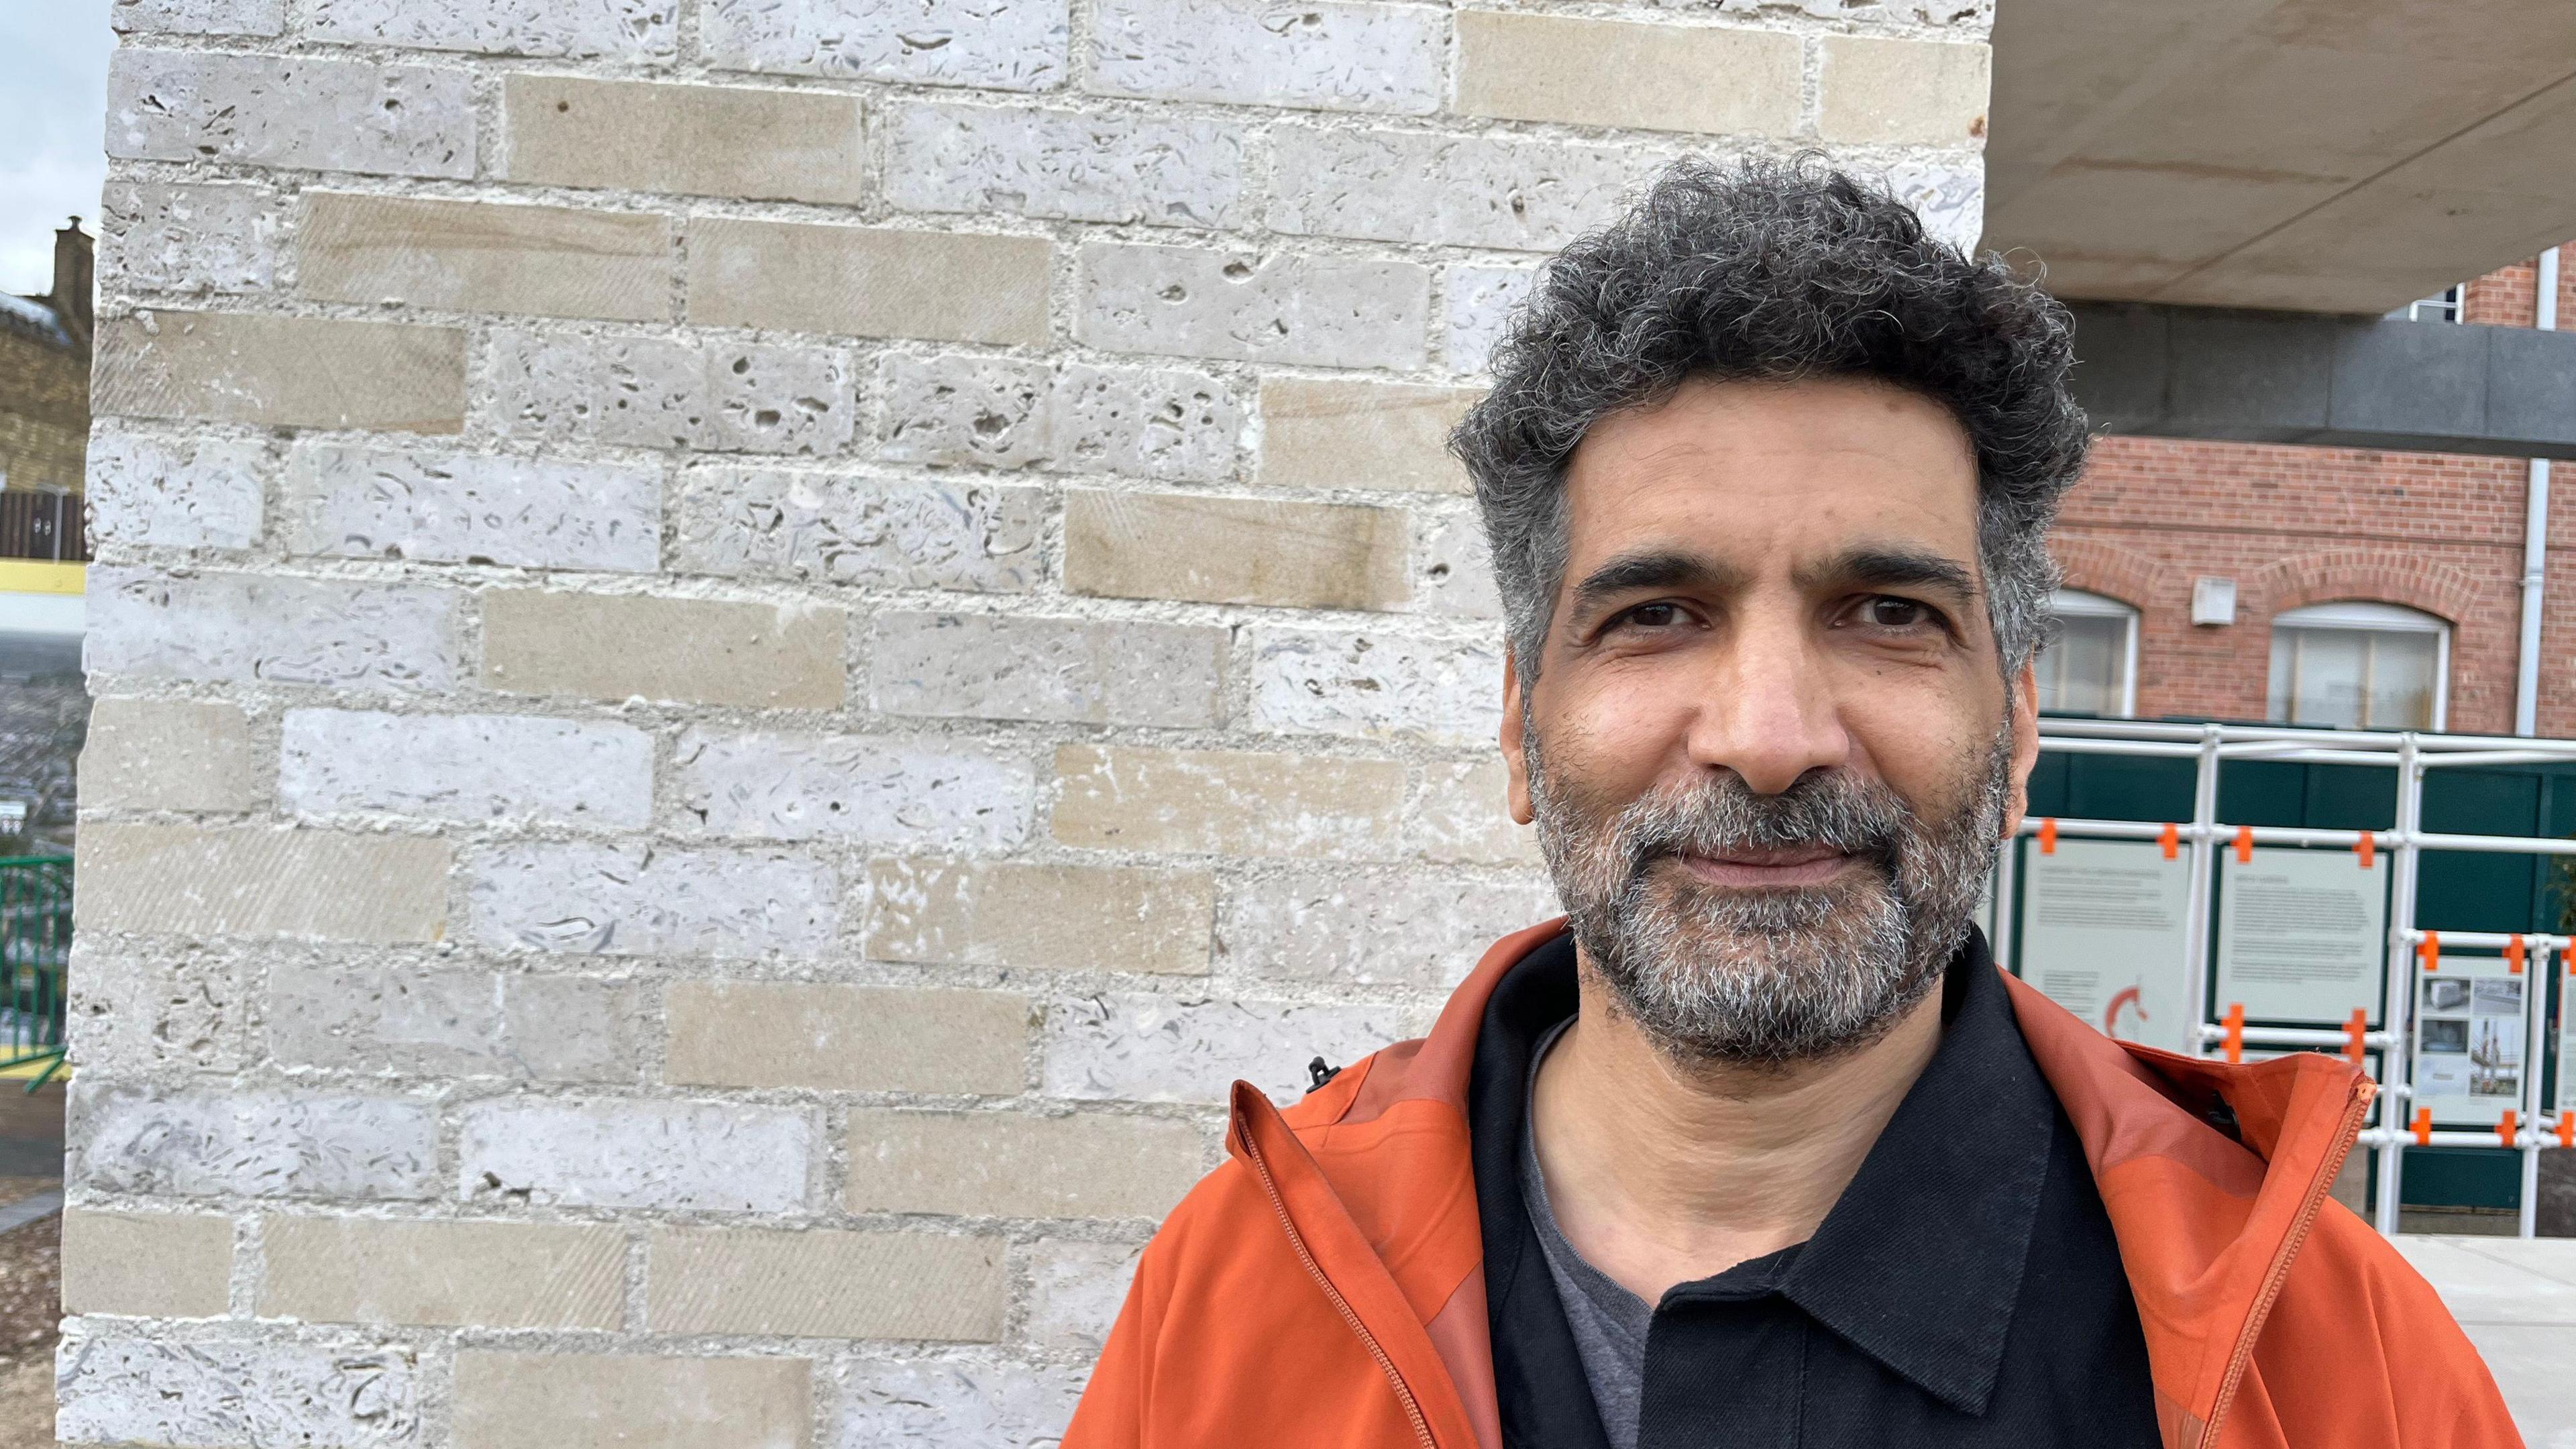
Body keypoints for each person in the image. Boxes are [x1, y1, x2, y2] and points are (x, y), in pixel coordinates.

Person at [1061, 159, 2517, 1449]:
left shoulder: (2334, 1367)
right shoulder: (1234, 1294)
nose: (1768, 740)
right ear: (1522, 719)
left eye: (1886, 611)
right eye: (1656, 614)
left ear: (2013, 725)